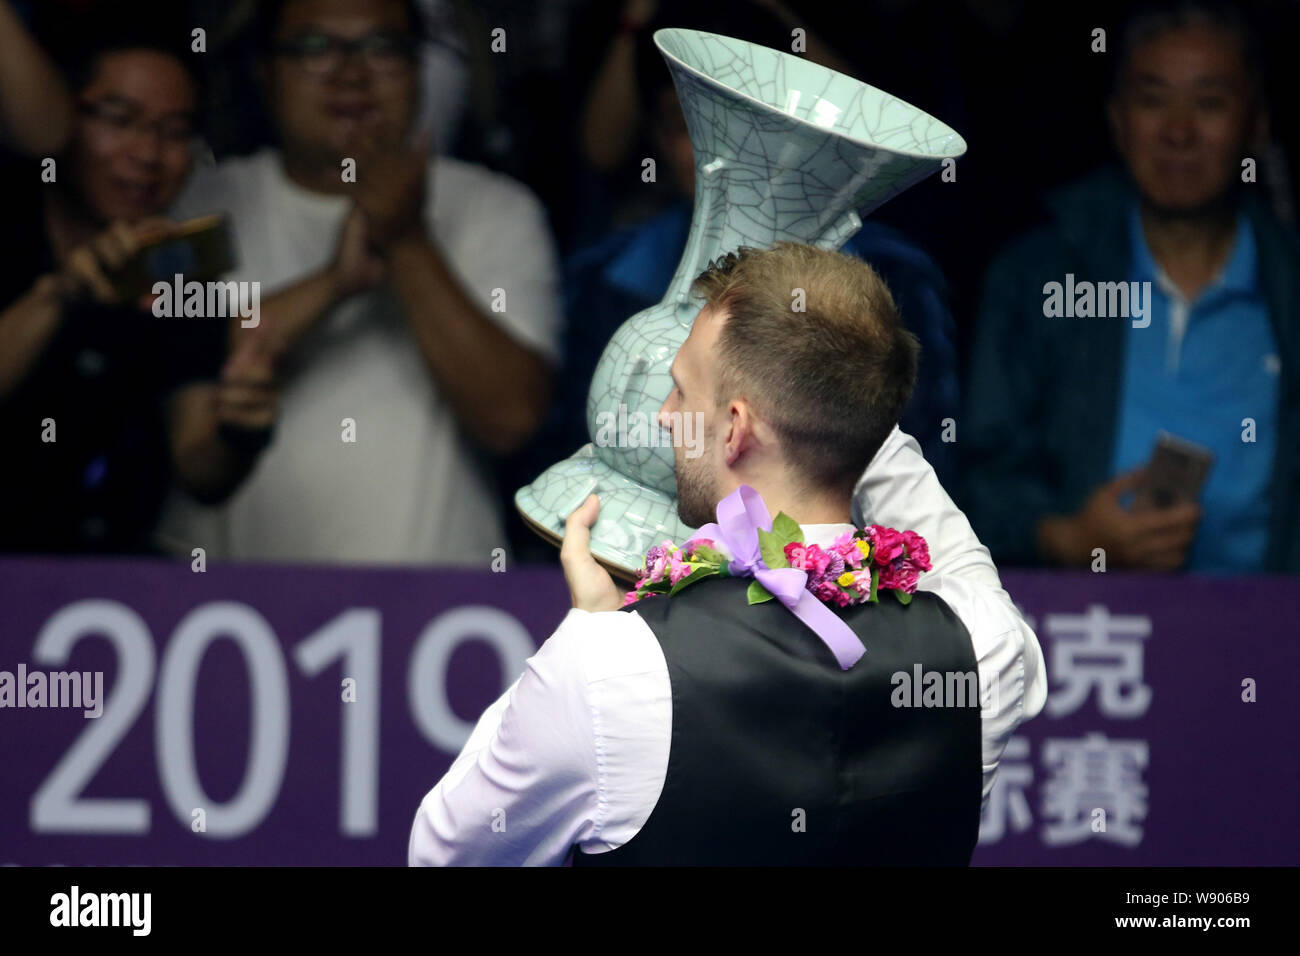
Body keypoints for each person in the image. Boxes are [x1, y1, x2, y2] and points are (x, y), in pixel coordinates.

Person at [409, 242, 1045, 866]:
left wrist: (583, 632)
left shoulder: (607, 669)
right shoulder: (984, 650)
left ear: (737, 428)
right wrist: (842, 391)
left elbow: (446, 854)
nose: (663, 416)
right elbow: (959, 557)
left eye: (683, 393)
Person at [156, 0, 562, 564]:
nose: (351, 73)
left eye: (381, 47)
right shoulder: (198, 205)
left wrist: (406, 237)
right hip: (223, 606)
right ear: (264, 72)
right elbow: (168, 365)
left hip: (437, 612)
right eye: (314, 47)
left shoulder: (496, 207)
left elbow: (511, 418)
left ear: (420, 68)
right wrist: (334, 283)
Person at [961, 0, 1300, 573]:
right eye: (1152, 100)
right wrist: (1067, 539)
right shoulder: (1039, 276)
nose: (1179, 132)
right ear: (1117, 120)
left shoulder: (1289, 287)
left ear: (1258, 123)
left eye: (1210, 103)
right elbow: (974, 475)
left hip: (1273, 641)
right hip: (1089, 635)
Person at [0, 25, 278, 555]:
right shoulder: (9, 220)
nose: (148, 153)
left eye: (175, 132)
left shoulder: (181, 268)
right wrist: (57, 296)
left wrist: (244, 428)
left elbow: (201, 469)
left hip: (102, 591)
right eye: (119, 119)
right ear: (65, 116)